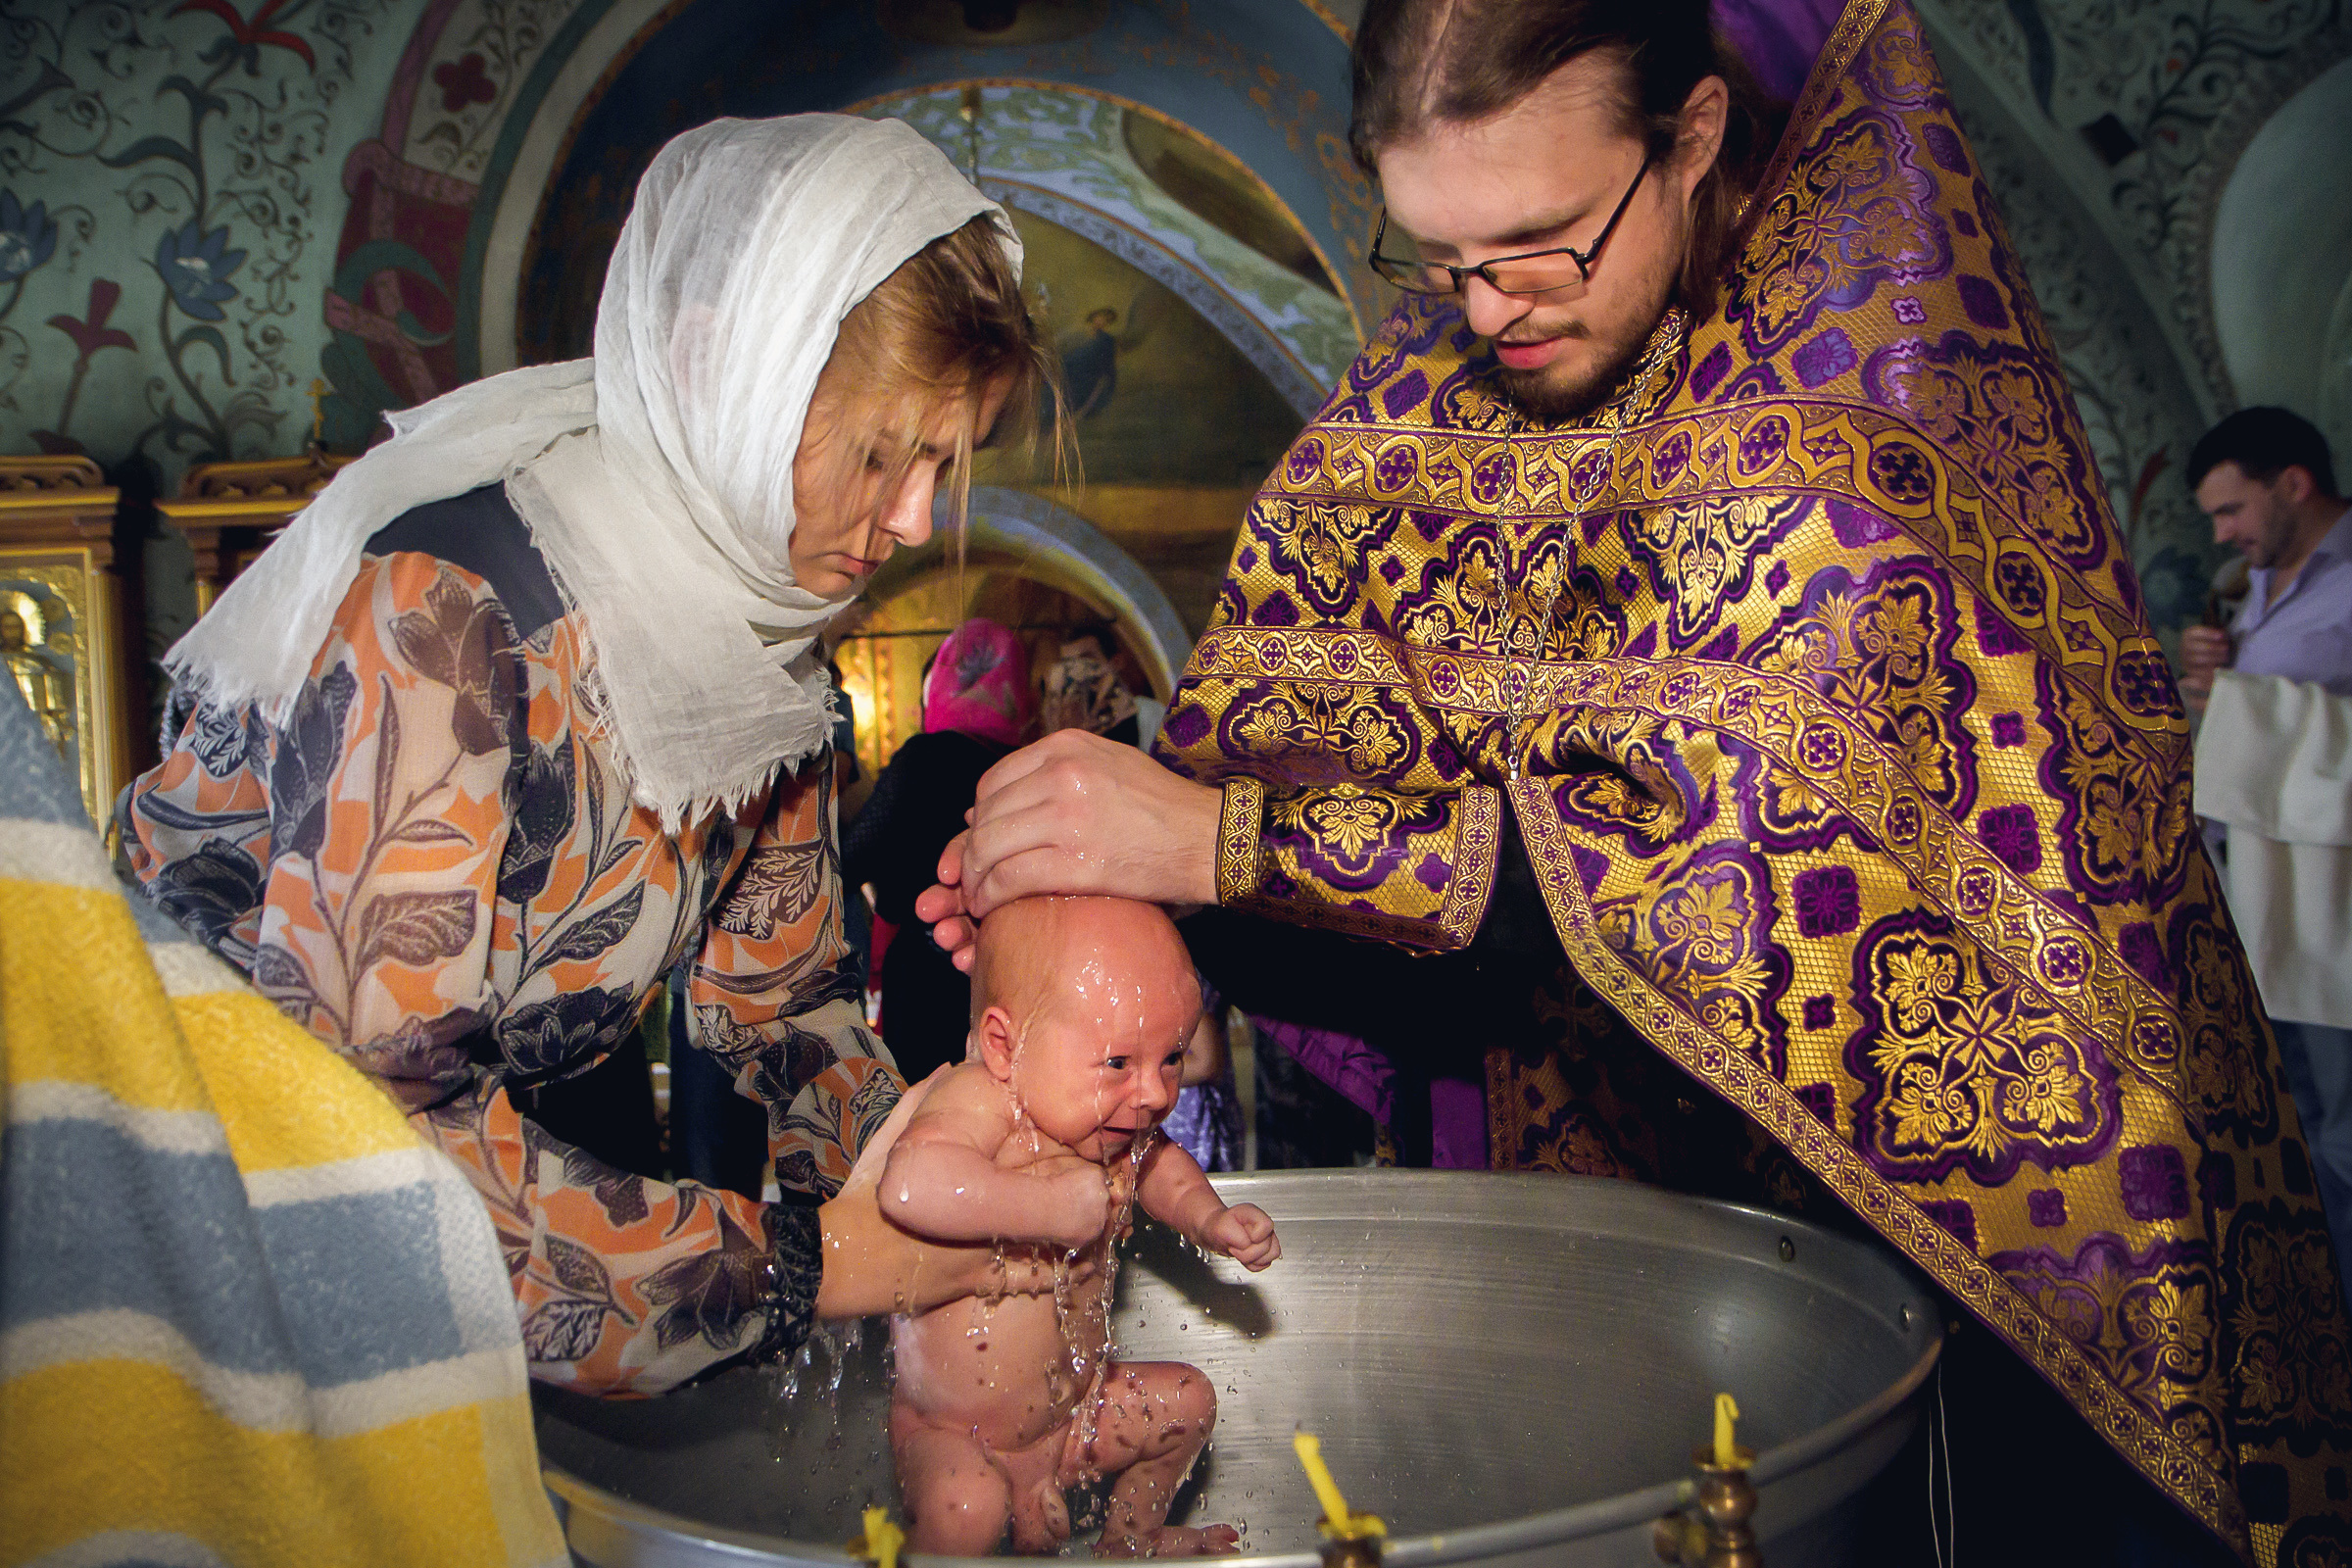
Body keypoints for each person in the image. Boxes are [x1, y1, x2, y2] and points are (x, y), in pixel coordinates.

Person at [918, 0, 2352, 1556]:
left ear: (1692, 138)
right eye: (1437, 253)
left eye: (1540, 243)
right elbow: (1329, 830)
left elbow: (1739, 888)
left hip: (1940, 1269)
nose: (1490, 307)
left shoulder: (1852, 415)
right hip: (1587, 1235)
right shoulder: (1413, 416)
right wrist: (1104, 904)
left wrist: (1231, 842)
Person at [122, 115, 1069, 1396]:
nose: (910, 520)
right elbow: (364, 1143)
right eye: (878, 455)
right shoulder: (445, 618)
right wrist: (823, 1262)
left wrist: (941, 1168)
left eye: (942, 467)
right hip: (178, 1217)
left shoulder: (773, 654)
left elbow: (783, 1005)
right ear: (720, 371)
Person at [876, 896, 1276, 1556]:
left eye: (1171, 1058)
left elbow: (1163, 1170)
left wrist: (1212, 1219)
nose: (1155, 1093)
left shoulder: (1115, 1125)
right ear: (1005, 1046)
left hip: (1074, 1419)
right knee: (966, 1509)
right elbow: (909, 1185)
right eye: (1119, 1063)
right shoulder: (979, 1102)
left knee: (1187, 1402)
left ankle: (1131, 1539)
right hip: (956, 1436)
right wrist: (1049, 1207)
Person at [2180, 408, 2352, 1305]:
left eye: (2231, 510)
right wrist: (2216, 680)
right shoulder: (2255, 582)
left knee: (2346, 1132)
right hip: (2259, 888)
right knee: (2299, 1122)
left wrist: (2251, 700)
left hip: (2335, 903)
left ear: (2294, 483)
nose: (2221, 533)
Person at [843, 616, 1036, 1084]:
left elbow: (854, 857)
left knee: (927, 1102)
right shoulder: (1026, 766)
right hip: (1008, 968)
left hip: (925, 972)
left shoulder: (923, 758)